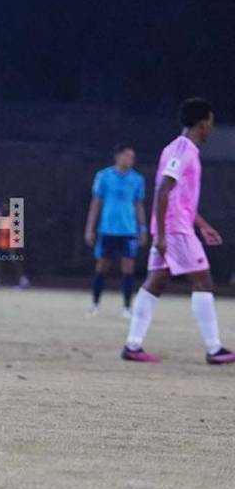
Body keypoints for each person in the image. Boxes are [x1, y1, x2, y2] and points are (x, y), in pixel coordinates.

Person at [122, 98, 235, 364]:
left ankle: (132, 345)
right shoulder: (182, 150)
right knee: (203, 281)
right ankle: (214, 349)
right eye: (210, 123)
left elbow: (179, 198)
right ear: (202, 123)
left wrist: (203, 225)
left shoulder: (178, 148)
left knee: (156, 282)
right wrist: (161, 234)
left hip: (174, 225)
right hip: (175, 230)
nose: (210, 128)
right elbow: (163, 190)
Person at [84, 144, 147, 317]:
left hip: (128, 231)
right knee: (102, 266)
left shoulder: (137, 179)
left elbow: (139, 205)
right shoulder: (103, 176)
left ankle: (126, 307)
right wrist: (90, 228)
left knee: (128, 267)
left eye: (132, 157)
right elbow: (96, 203)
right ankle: (95, 304)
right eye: (127, 156)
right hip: (107, 229)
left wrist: (142, 228)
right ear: (118, 157)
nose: (130, 160)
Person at [0, 200, 30, 288]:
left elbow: (11, 232)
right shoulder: (3, 218)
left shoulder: (12, 217)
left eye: (6, 205)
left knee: (15, 262)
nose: (4, 207)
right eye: (3, 205)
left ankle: (24, 281)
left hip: (11, 245)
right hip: (2, 245)